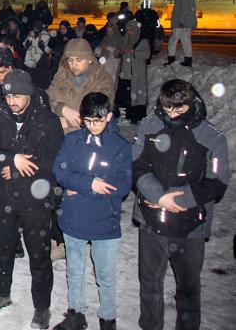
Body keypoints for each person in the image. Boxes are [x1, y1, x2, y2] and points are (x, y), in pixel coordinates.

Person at [132, 79, 229, 330]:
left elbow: (218, 181)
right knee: (149, 285)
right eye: (167, 109)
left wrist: (181, 199)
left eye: (179, 109)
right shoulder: (150, 125)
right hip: (151, 220)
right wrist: (157, 195)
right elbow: (137, 164)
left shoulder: (211, 136)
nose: (172, 114)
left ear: (191, 103)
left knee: (188, 290)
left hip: (190, 226)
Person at [0, 69, 65, 330]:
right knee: (3, 249)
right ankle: (1, 293)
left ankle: (42, 307)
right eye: (8, 96)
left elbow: (55, 160)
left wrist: (16, 168)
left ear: (28, 94)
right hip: (4, 197)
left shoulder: (47, 121)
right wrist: (10, 158)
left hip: (35, 199)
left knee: (39, 256)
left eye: (17, 96)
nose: (12, 101)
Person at [52, 93, 132, 330]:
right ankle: (76, 312)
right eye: (88, 121)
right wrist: (90, 183)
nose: (93, 126)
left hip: (105, 220)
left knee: (105, 275)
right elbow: (60, 171)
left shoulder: (120, 146)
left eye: (98, 121)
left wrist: (81, 188)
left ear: (109, 117)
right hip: (74, 216)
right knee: (75, 270)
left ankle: (108, 317)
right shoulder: (73, 141)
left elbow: (122, 184)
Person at [48, 39, 115, 135]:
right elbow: (47, 99)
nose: (74, 65)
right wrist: (62, 109)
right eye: (70, 60)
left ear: (90, 59)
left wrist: (66, 122)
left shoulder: (103, 79)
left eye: (79, 60)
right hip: (59, 135)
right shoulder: (61, 77)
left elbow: (101, 111)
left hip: (88, 137)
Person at [115, 20, 149, 124]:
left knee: (135, 97)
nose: (129, 32)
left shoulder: (142, 41)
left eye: (131, 30)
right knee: (123, 97)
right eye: (128, 30)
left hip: (136, 75)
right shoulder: (125, 40)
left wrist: (134, 52)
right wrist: (121, 51)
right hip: (124, 74)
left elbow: (147, 54)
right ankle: (124, 116)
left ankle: (135, 117)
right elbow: (116, 53)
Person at [166, 0, 196, 67]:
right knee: (186, 41)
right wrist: (193, 23)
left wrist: (181, 21)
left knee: (173, 40)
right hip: (187, 23)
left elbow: (184, 9)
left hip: (179, 23)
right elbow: (192, 10)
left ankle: (171, 59)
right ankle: (188, 60)